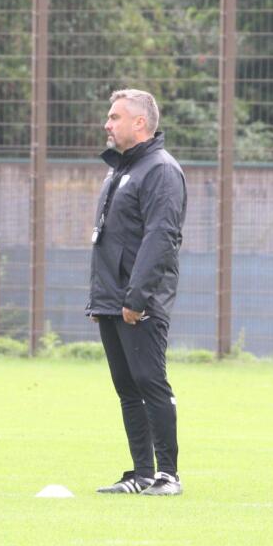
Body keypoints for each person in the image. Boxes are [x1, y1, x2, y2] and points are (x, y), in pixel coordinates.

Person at [86, 89, 187, 497]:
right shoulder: (121, 169)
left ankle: (168, 475)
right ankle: (142, 473)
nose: (107, 124)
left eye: (115, 117)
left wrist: (136, 297)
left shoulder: (160, 170)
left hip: (139, 301)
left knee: (150, 382)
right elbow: (111, 238)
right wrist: (101, 299)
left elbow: (161, 237)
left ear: (140, 123)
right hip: (112, 300)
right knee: (127, 387)